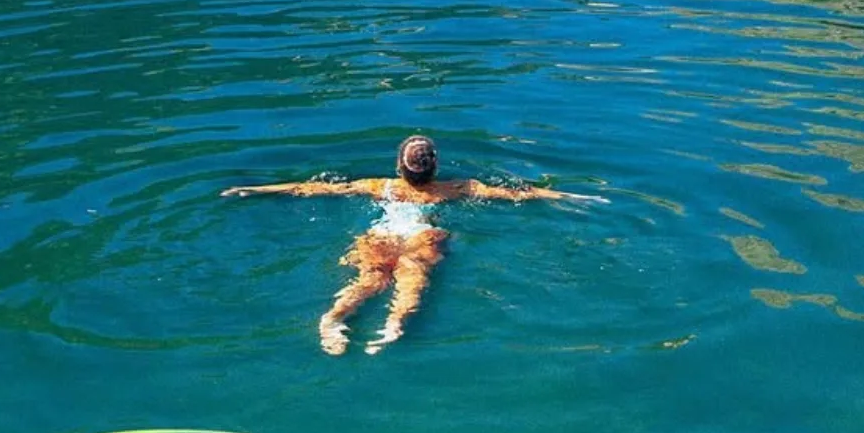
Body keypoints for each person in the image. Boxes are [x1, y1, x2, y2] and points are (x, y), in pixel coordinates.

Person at [223, 134, 603, 355]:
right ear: (435, 166)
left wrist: (255, 189)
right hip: (421, 236)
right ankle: (393, 324)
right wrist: (569, 197)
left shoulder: (378, 187)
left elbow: (312, 188)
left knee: (369, 280)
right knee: (412, 278)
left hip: (382, 236)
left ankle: (333, 318)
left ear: (398, 167)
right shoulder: (457, 189)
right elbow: (518, 194)